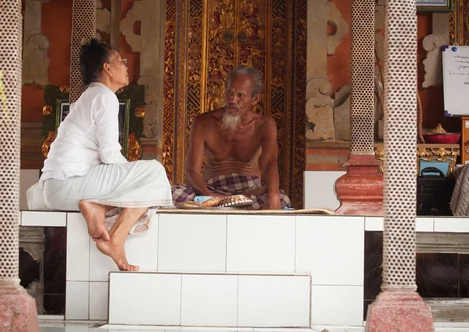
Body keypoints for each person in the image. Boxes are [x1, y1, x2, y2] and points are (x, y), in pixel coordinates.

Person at [39, 40, 173, 271]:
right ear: (108, 68)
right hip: (68, 184)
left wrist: (128, 178)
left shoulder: (92, 96)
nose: (126, 66)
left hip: (58, 189)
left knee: (142, 179)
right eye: (121, 61)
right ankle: (116, 239)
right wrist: (133, 177)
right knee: (154, 172)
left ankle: (97, 207)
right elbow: (110, 155)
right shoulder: (104, 97)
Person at [171, 66, 291, 210]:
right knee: (173, 193)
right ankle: (227, 206)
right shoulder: (203, 122)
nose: (232, 100)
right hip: (212, 188)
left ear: (255, 99)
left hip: (250, 192)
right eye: (229, 93)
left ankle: (235, 206)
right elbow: (192, 171)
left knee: (282, 199)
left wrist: (273, 195)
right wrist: (208, 195)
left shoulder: (265, 124)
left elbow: (270, 162)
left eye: (240, 95)